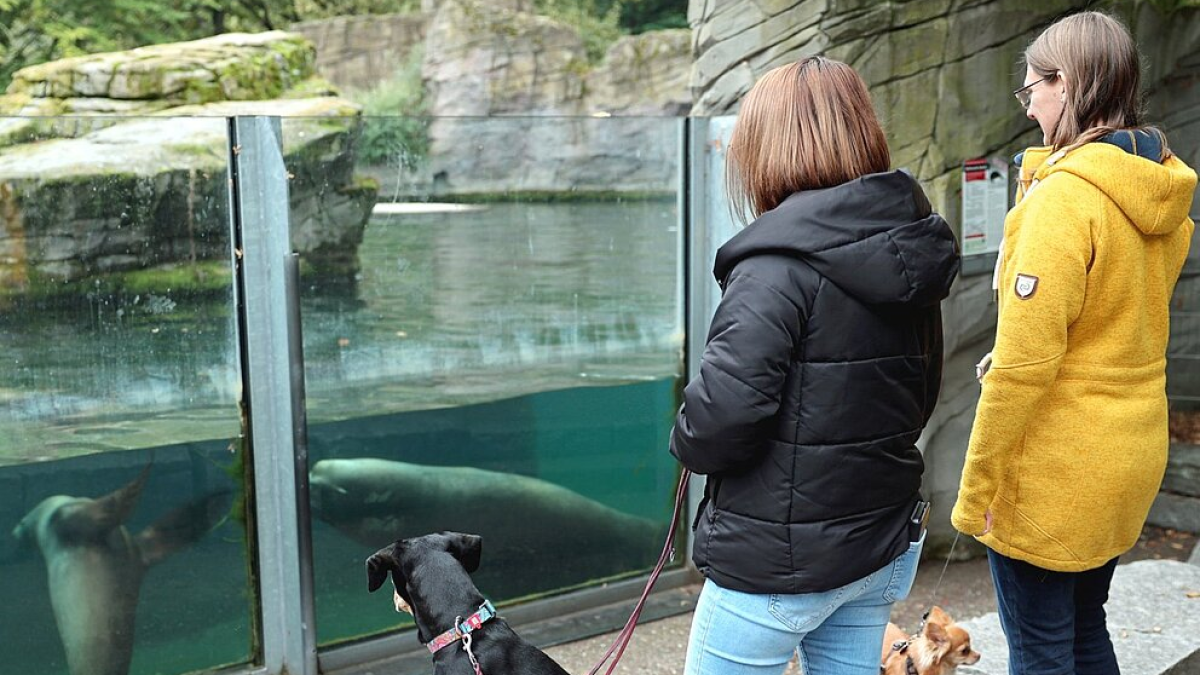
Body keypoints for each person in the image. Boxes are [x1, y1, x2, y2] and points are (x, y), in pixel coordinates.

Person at [671, 56, 961, 675]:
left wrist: (686, 432)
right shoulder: (909, 250)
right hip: (878, 542)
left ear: (765, 148)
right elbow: (923, 392)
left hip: (781, 556)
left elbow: (723, 418)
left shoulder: (772, 268)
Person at [952, 11, 1196, 675]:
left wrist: (976, 492)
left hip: (1058, 468)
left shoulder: (1066, 202)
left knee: (1039, 649)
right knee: (1086, 629)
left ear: (1069, 84)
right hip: (1127, 453)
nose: (1029, 108)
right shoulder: (1157, 188)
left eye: (1031, 89)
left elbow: (1023, 366)